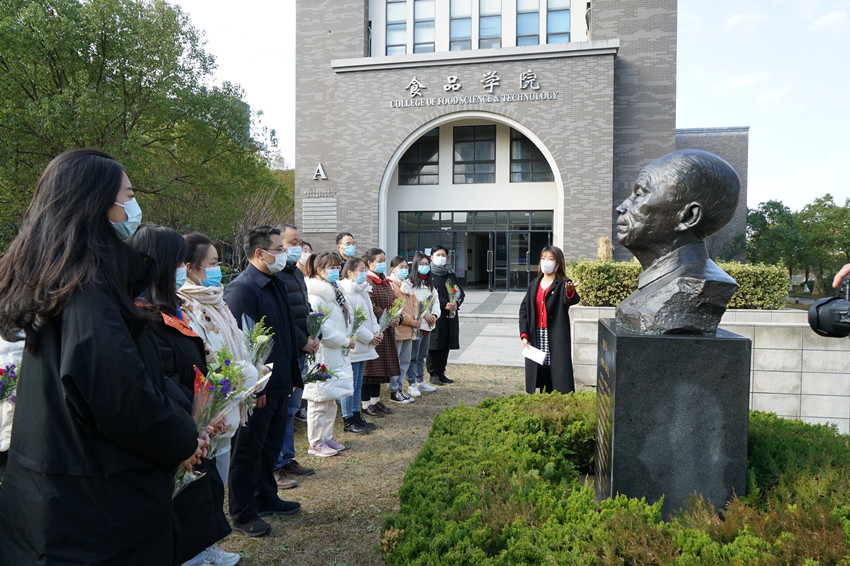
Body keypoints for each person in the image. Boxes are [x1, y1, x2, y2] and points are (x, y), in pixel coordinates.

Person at [0, 149, 203, 565]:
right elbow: (124, 398)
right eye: (128, 195)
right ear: (100, 206)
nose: (133, 206)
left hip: (63, 497)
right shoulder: (87, 292)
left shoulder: (60, 280)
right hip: (95, 510)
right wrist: (182, 438)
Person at [130, 224, 236, 566]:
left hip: (195, 417)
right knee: (181, 494)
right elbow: (160, 377)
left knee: (203, 488)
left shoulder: (170, 306)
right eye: (178, 263)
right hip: (177, 422)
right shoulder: (140, 313)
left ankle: (202, 547)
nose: (183, 270)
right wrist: (193, 419)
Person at [223, 226, 302, 537]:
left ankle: (267, 497)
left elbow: (283, 332)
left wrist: (291, 378)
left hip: (279, 382)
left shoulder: (274, 283)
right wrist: (255, 386)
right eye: (278, 249)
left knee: (269, 447)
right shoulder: (243, 289)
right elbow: (243, 345)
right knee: (247, 451)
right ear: (259, 253)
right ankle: (243, 513)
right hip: (259, 388)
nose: (283, 255)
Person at [615, 149, 741, 334]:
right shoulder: (652, 286)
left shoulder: (695, 286)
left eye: (640, 194)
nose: (621, 207)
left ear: (688, 217)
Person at [176, 232, 260, 487]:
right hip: (209, 411)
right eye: (212, 264)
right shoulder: (186, 305)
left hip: (231, 402)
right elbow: (201, 358)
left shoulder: (217, 300)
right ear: (190, 268)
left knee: (218, 477)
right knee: (204, 482)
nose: (218, 269)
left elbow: (237, 342)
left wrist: (252, 374)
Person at [272, 225, 319, 486]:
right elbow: (284, 318)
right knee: (280, 412)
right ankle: (275, 464)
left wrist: (315, 335)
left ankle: (287, 458)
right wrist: (302, 342)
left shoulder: (295, 274)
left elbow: (305, 308)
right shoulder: (275, 276)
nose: (298, 249)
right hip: (287, 352)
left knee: (290, 410)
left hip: (302, 349)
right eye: (292, 243)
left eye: (300, 244)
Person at [303, 253, 355, 456]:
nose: (335, 270)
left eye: (337, 266)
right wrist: (344, 340)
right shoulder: (315, 296)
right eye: (330, 267)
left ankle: (327, 436)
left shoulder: (336, 291)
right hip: (323, 354)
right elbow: (321, 329)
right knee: (318, 399)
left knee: (330, 397)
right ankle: (315, 441)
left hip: (336, 353)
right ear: (319, 270)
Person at [518, 246, 581, 394]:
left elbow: (570, 300)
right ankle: (544, 399)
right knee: (540, 369)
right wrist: (524, 335)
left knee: (556, 371)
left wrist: (570, 292)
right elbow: (524, 311)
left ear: (558, 264)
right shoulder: (534, 285)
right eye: (543, 258)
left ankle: (557, 402)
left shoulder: (563, 283)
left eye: (551, 259)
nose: (546, 262)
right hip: (536, 334)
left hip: (555, 335)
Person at [338, 257, 381, 433]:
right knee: (350, 383)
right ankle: (348, 418)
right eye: (361, 270)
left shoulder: (362, 290)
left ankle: (356, 414)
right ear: (350, 272)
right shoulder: (345, 291)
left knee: (358, 383)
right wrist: (369, 337)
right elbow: (352, 321)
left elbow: (371, 316)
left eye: (365, 269)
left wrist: (377, 331)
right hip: (355, 343)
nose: (365, 273)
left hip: (366, 343)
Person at [362, 248, 401, 418]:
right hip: (374, 330)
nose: (382, 263)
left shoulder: (384, 280)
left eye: (384, 260)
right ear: (369, 263)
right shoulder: (367, 282)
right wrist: (386, 317)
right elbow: (371, 306)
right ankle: (365, 404)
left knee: (380, 368)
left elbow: (393, 300)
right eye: (379, 260)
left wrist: (396, 316)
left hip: (386, 329)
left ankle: (375, 400)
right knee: (369, 369)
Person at [426, 245, 465, 385]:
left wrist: (456, 303)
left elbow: (460, 292)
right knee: (435, 343)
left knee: (447, 342)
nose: (441, 258)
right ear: (431, 257)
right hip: (436, 315)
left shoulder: (450, 274)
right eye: (438, 255)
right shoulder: (428, 275)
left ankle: (441, 372)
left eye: (444, 255)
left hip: (451, 315)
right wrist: (444, 304)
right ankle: (433, 373)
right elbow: (428, 295)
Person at [405, 252, 440, 396]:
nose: (425, 267)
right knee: (413, 356)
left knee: (422, 355)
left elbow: (435, 301)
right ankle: (411, 383)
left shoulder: (430, 283)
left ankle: (421, 381)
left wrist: (434, 315)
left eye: (427, 264)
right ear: (415, 265)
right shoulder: (409, 283)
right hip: (416, 324)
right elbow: (410, 303)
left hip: (427, 325)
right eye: (422, 264)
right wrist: (424, 313)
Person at [387, 256, 419, 404]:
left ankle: (400, 388)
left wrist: (416, 317)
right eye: (401, 267)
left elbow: (414, 303)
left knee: (405, 361)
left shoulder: (407, 285)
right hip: (399, 328)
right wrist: (412, 321)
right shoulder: (391, 285)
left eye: (406, 267)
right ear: (393, 269)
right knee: (396, 362)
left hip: (409, 329)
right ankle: (394, 390)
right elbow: (397, 308)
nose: (404, 270)